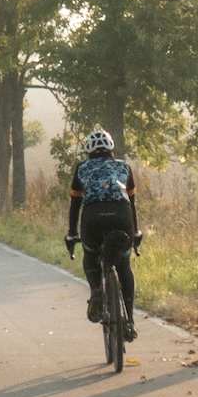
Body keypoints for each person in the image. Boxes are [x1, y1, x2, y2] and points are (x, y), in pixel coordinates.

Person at [63, 128, 139, 338]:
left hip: (92, 217)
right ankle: (130, 321)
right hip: (121, 214)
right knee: (124, 265)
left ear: (89, 151)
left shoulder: (82, 168)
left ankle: (96, 290)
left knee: (91, 255)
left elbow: (75, 206)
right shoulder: (124, 167)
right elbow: (131, 204)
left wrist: (71, 234)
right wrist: (137, 232)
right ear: (111, 149)